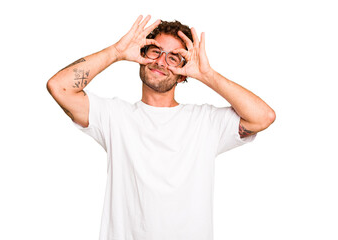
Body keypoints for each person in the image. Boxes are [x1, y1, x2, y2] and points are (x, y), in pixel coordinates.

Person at [47, 15, 275, 240]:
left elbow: (263, 117)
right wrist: (116, 52)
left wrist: (207, 75)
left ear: (182, 75)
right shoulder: (114, 116)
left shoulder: (205, 122)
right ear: (142, 55)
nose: (161, 61)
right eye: (155, 51)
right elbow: (59, 87)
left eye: (174, 58)